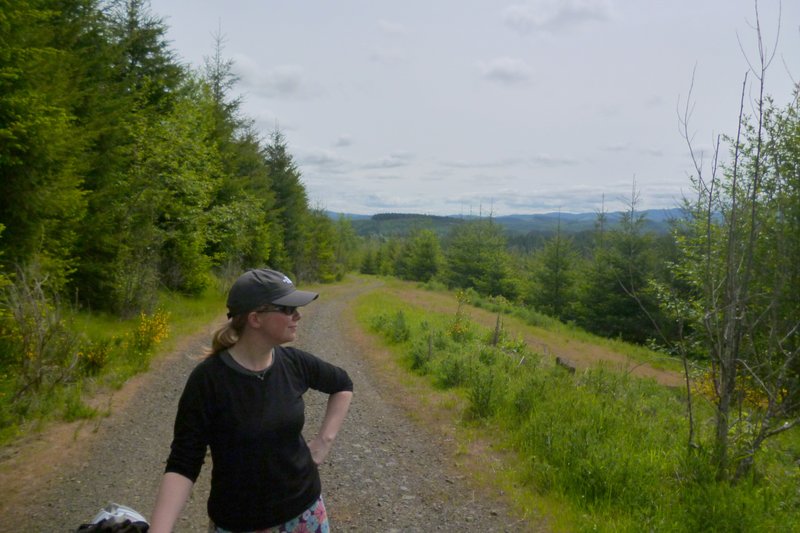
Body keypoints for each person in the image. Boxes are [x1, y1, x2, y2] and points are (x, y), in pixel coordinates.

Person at [150, 268, 353, 533]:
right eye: (287, 309)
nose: (297, 316)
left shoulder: (294, 363)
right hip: (239, 524)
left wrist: (323, 442)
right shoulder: (209, 380)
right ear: (255, 318)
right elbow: (184, 462)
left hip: (306, 514)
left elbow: (343, 384)